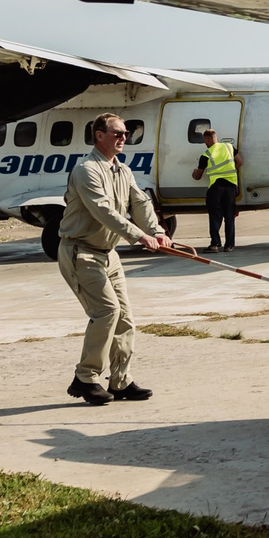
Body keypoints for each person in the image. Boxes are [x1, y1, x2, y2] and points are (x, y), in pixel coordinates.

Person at [56, 112, 168, 406]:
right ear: (99, 136)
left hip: (108, 254)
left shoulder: (123, 170)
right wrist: (138, 236)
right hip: (81, 252)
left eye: (125, 133)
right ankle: (85, 378)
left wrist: (156, 231)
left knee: (125, 319)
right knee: (107, 312)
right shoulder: (86, 170)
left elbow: (140, 203)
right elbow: (103, 210)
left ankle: (120, 381)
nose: (123, 138)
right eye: (117, 133)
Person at [193, 125, 241, 251]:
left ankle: (215, 244)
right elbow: (240, 162)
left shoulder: (206, 154)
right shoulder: (229, 147)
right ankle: (229, 245)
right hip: (231, 187)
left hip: (216, 188)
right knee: (229, 217)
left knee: (215, 216)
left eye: (205, 141)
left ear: (208, 140)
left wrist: (194, 173)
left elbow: (198, 176)